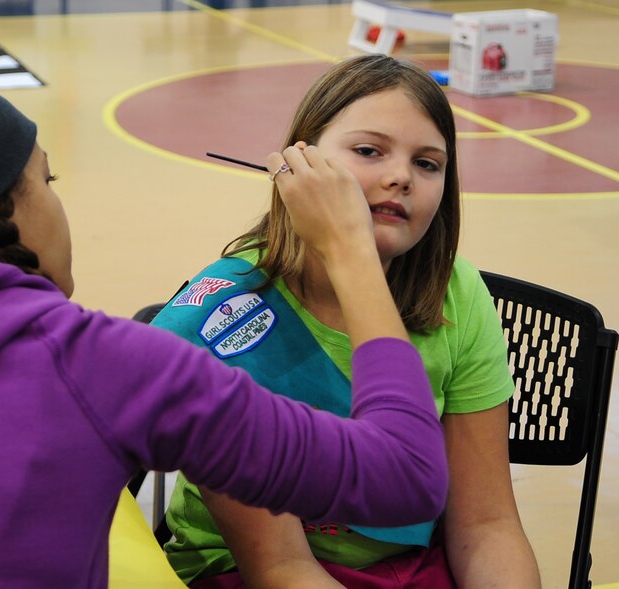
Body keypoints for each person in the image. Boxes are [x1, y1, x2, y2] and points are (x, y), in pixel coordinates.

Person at [0, 49, 449, 589]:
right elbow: (405, 474)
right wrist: (351, 251)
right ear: (5, 208)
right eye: (47, 178)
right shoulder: (108, 369)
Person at [154, 54, 541, 589]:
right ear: (298, 163)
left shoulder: (459, 294)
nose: (400, 176)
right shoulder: (226, 318)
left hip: (410, 567)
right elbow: (281, 567)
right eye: (368, 151)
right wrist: (350, 249)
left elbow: (486, 523)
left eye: (427, 163)